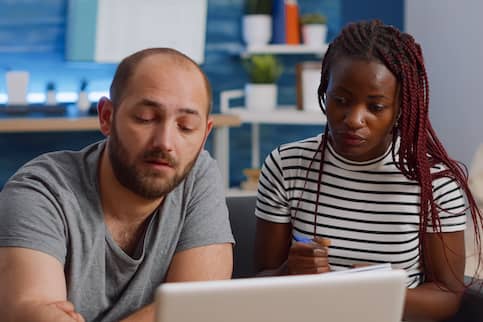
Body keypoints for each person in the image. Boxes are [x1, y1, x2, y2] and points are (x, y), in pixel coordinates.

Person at [254, 20, 482, 321]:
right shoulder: (286, 165)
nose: (354, 119)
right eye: (341, 100)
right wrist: (287, 273)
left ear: (400, 107)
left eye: (375, 107)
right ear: (325, 91)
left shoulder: (434, 183)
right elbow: (258, 281)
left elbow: (449, 294)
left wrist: (381, 293)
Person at [0, 48, 234, 322]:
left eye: (185, 126)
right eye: (146, 118)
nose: (165, 143)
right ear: (107, 117)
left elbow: (200, 307)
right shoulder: (40, 192)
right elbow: (30, 313)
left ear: (204, 135)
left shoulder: (197, 174)